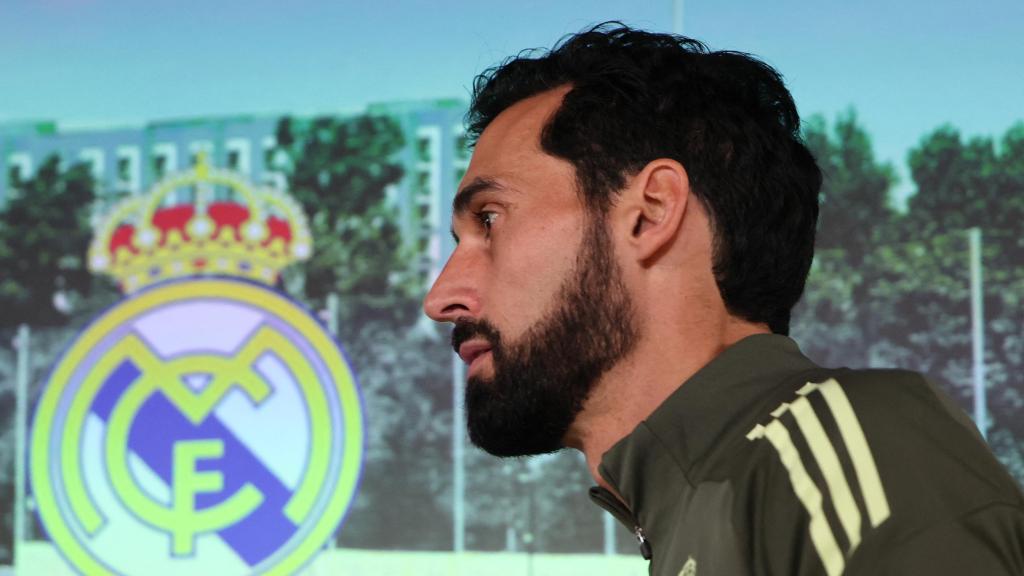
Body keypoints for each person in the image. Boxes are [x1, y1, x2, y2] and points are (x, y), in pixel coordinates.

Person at [423, 23, 1024, 575]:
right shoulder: (715, 506)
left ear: (651, 213)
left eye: (491, 220)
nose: (441, 297)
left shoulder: (847, 450)